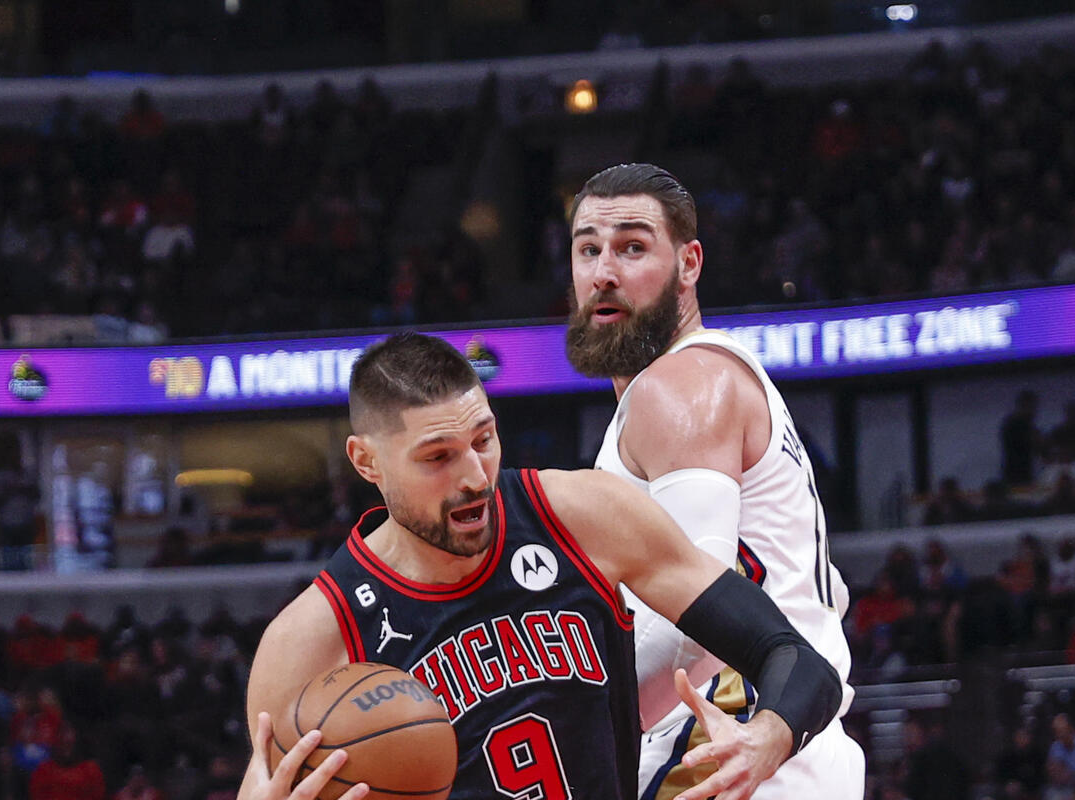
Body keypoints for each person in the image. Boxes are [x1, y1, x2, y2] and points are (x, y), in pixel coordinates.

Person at [239, 333, 842, 800]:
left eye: (483, 440)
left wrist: (768, 737)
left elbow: (794, 656)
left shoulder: (581, 515)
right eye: (438, 457)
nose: (474, 476)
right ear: (366, 462)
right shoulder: (312, 636)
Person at [565, 163, 864, 800]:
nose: (604, 272)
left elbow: (690, 628)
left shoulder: (680, 387)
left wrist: (566, 735)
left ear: (689, 263)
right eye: (588, 249)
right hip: (773, 751)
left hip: (728, 751)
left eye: (632, 247)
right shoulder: (696, 382)